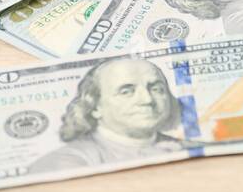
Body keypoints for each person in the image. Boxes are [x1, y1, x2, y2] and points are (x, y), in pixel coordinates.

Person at [30, 57, 183, 172]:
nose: (147, 100)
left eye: (156, 89)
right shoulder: (64, 162)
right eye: (126, 91)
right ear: (95, 106)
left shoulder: (191, 148)